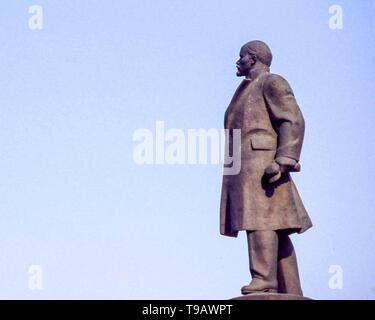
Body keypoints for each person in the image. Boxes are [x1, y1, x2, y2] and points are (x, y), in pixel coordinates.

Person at [220, 40, 312, 295]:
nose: (238, 61)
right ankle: (290, 288)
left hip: (263, 165)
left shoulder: (272, 82)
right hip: (246, 165)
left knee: (260, 221)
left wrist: (284, 159)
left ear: (253, 58)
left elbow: (293, 119)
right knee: (276, 227)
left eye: (241, 56)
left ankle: (263, 280)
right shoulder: (245, 88)